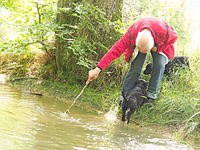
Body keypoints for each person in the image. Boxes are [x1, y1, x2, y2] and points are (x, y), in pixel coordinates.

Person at [86, 17, 178, 104]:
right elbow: (115, 50)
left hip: (158, 40)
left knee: (159, 65)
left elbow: (174, 38)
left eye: (145, 51)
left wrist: (158, 49)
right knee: (136, 67)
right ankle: (125, 97)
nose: (143, 52)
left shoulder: (164, 31)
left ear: (152, 45)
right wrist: (98, 69)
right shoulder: (132, 34)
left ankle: (151, 97)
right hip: (142, 36)